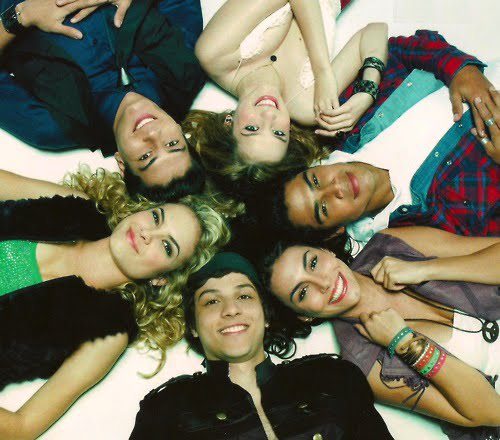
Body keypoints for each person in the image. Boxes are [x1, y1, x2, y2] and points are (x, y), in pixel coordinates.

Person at [0, 167, 230, 439]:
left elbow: (22, 427)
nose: (148, 234)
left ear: (163, 279)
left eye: (167, 246)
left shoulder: (109, 331)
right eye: (156, 217)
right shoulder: (74, 208)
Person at [262, 226, 500, 439]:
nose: (323, 283)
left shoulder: (390, 245)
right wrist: (403, 342)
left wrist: (424, 269)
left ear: (326, 251)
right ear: (304, 315)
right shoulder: (363, 363)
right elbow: (491, 411)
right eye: (303, 292)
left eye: (313, 263)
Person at [130, 252, 392, 439]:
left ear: (266, 316)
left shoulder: (333, 377)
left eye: (244, 296)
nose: (231, 309)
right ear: (194, 327)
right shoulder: (166, 409)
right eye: (211, 301)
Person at [255, 47, 499, 247]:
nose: (335, 188)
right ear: (335, 231)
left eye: (316, 180)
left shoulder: (349, 116)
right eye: (324, 208)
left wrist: (460, 69)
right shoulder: (427, 228)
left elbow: (401, 49)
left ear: (314, 166)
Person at [0, 0, 206, 201]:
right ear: (182, 132)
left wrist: (21, 16)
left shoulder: (50, 126)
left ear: (122, 163)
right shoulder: (185, 71)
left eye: (145, 156)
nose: (152, 134)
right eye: (172, 143)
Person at [188, 0, 388, 195]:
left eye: (252, 128)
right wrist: (367, 92)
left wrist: (322, 71)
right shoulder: (307, 106)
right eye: (278, 133)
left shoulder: (214, 54)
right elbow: (375, 31)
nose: (269, 115)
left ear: (228, 124)